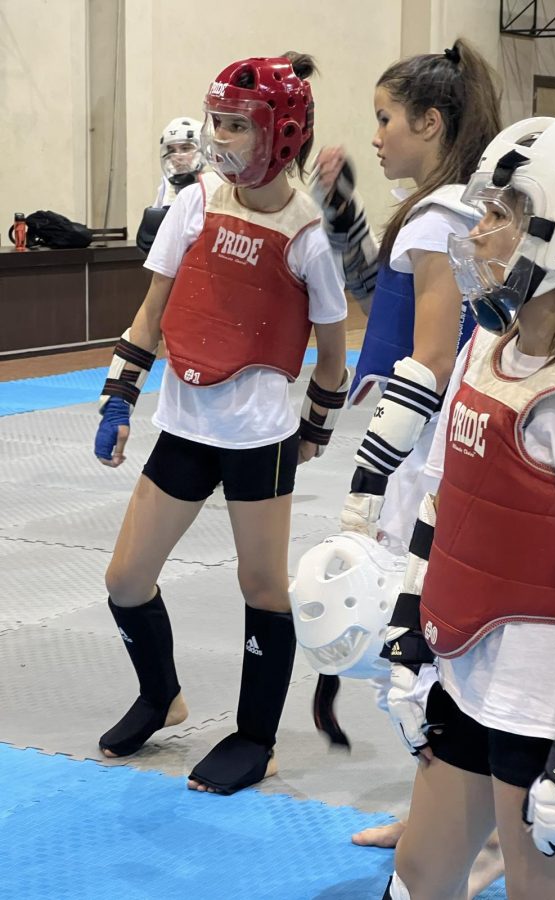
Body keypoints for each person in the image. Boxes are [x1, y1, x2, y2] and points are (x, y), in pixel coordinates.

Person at [380, 116, 555, 900]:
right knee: (418, 876)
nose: (477, 232)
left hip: (540, 706)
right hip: (462, 669)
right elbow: (445, 505)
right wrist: (410, 636)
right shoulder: (485, 349)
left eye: (500, 213)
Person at [94, 53, 349, 796]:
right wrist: (120, 396)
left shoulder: (307, 235)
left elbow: (333, 354)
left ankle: (256, 739)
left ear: (280, 134)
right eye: (218, 122)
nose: (219, 138)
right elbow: (153, 311)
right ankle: (161, 695)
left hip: (258, 435)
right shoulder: (194, 202)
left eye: (237, 125)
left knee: (262, 586)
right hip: (184, 421)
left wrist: (314, 429)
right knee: (125, 579)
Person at [307, 40, 506, 894]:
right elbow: (382, 302)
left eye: (385, 118)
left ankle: (474, 830)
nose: (376, 134)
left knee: (417, 648)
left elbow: (428, 357)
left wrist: (369, 476)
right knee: (420, 650)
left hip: (427, 459)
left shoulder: (439, 217)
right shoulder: (451, 210)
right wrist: (344, 215)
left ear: (430, 122)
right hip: (438, 450)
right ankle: (444, 815)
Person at [136, 117, 221, 253]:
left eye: (185, 148)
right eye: (171, 150)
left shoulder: (215, 185)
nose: (177, 156)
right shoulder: (166, 187)